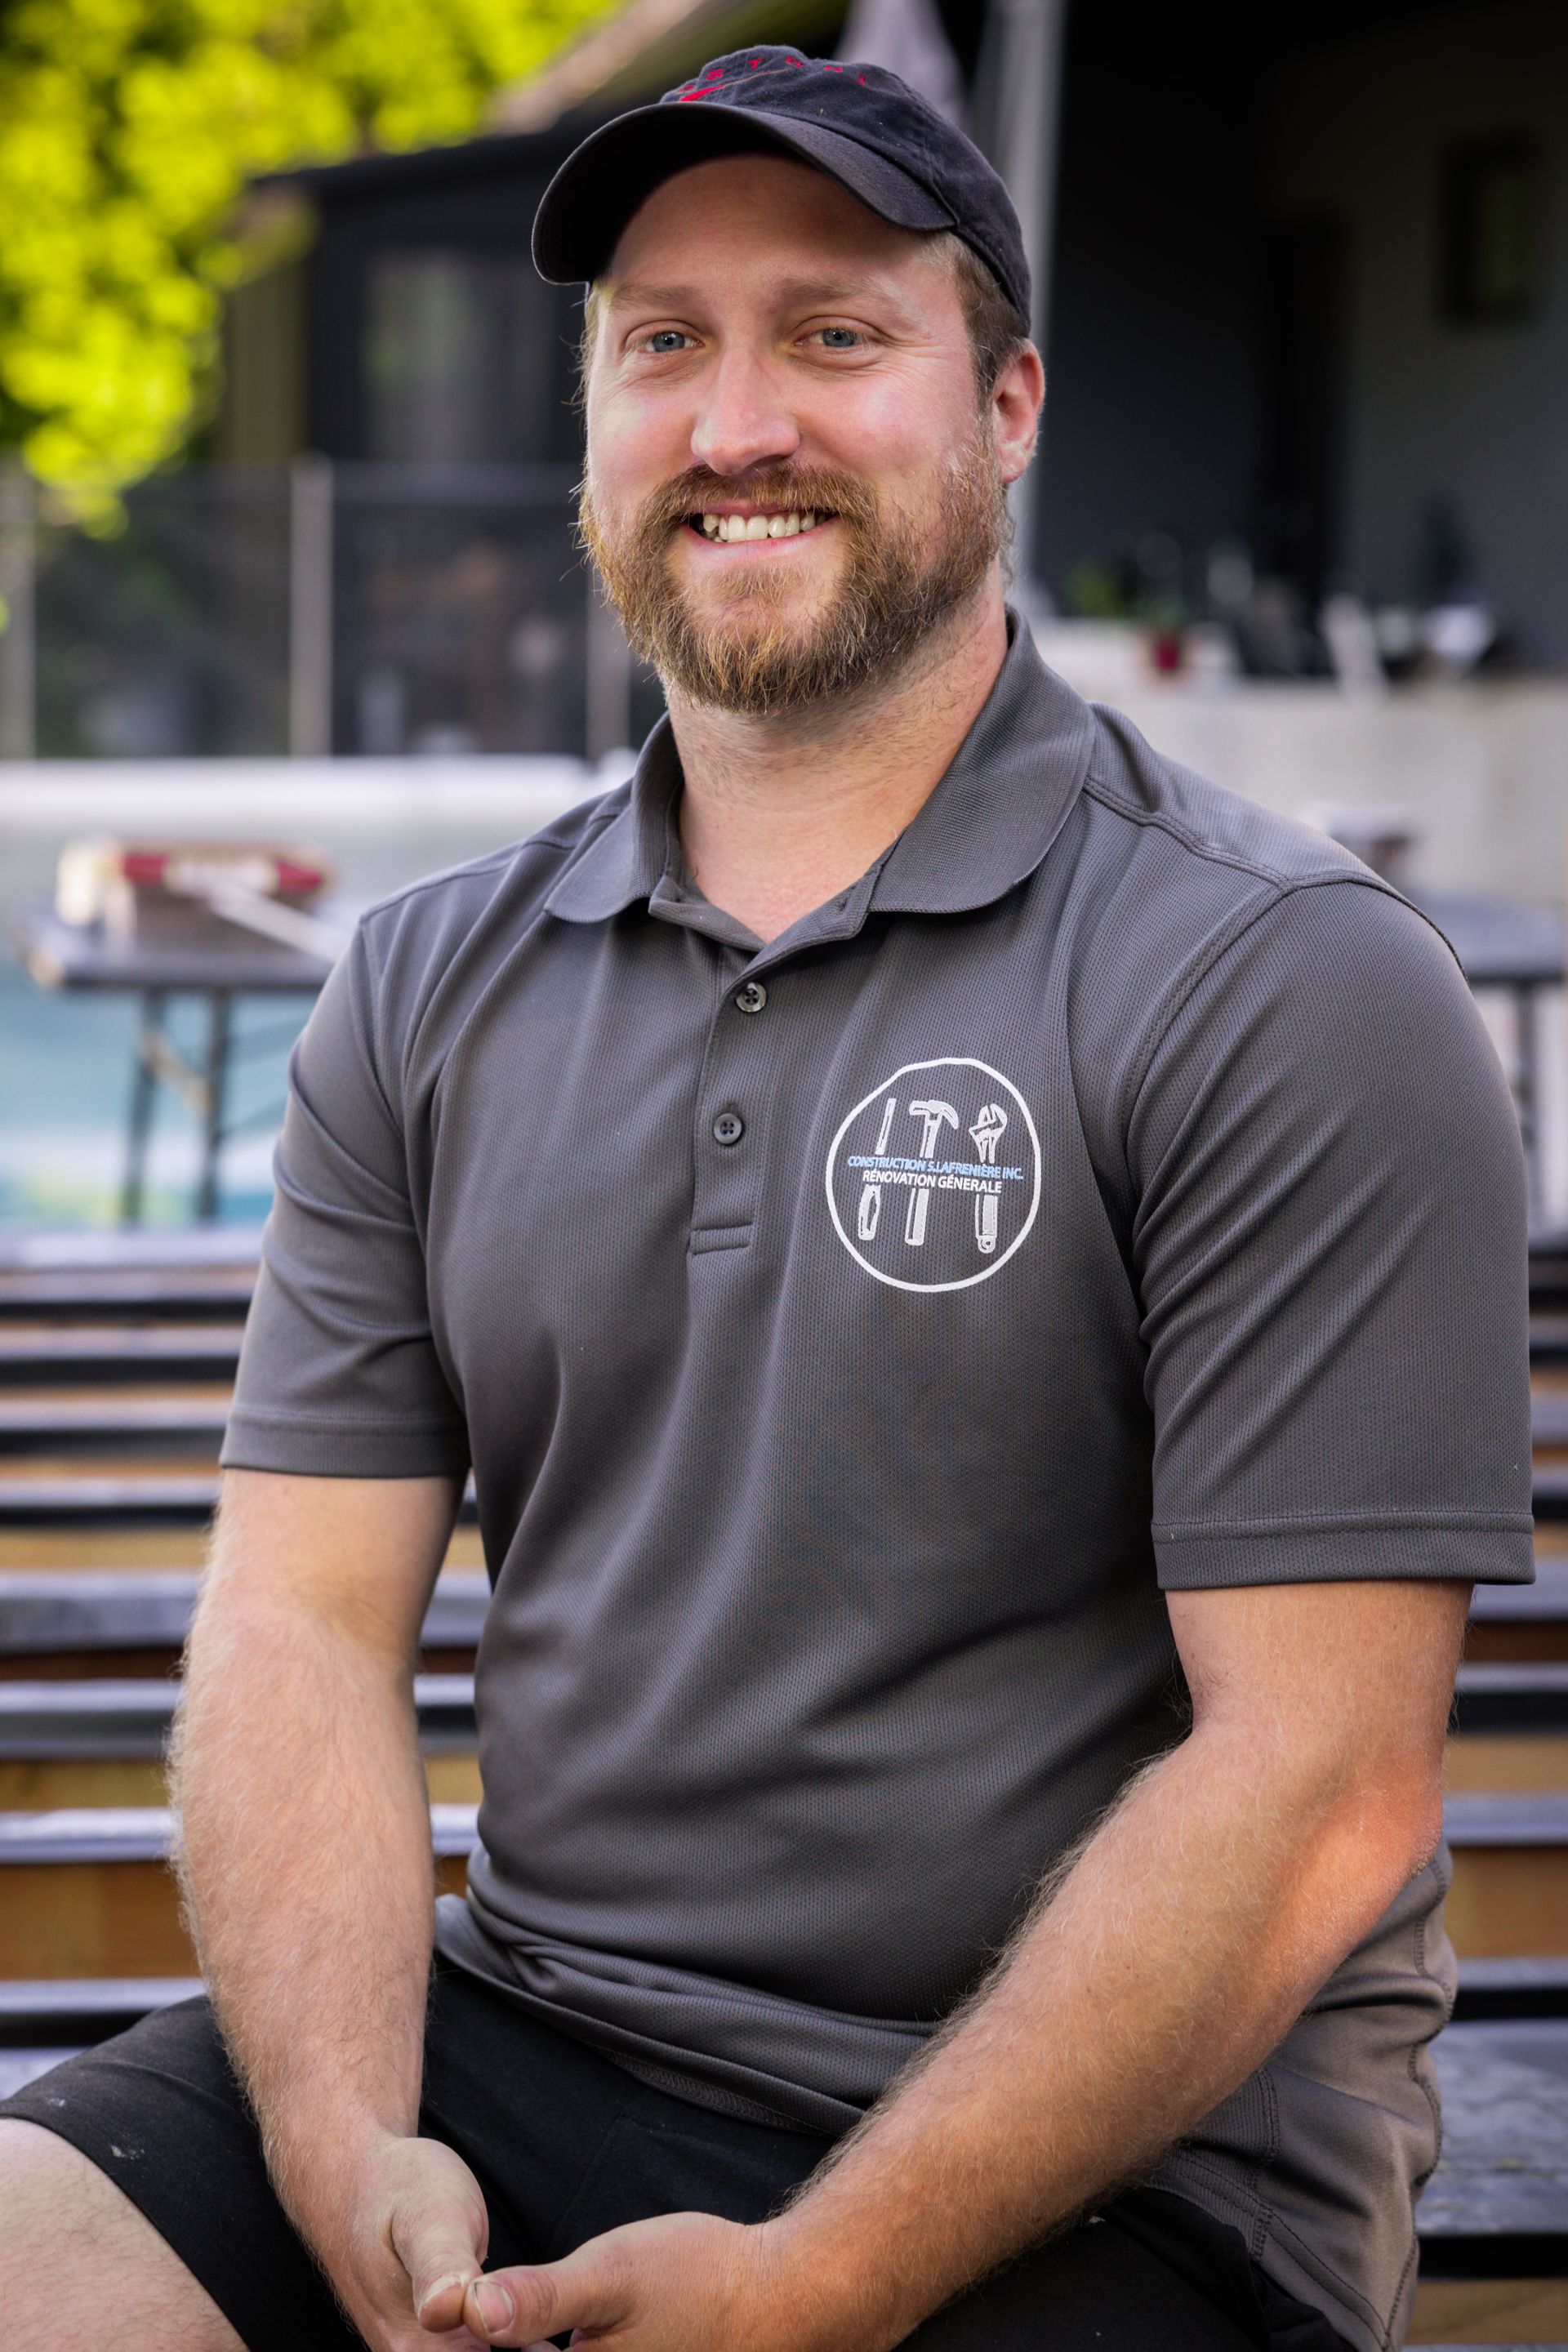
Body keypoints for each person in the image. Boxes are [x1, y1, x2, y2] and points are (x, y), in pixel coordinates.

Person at [0, 46, 1532, 2352]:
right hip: (536, 2030)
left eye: (834, 335)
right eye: (664, 344)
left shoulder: (1283, 979)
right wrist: (341, 2150)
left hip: (1134, 2166)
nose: (739, 426)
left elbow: (1319, 1782)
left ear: (1006, 406)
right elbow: (298, 1628)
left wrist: (822, 2280)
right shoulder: (431, 983)